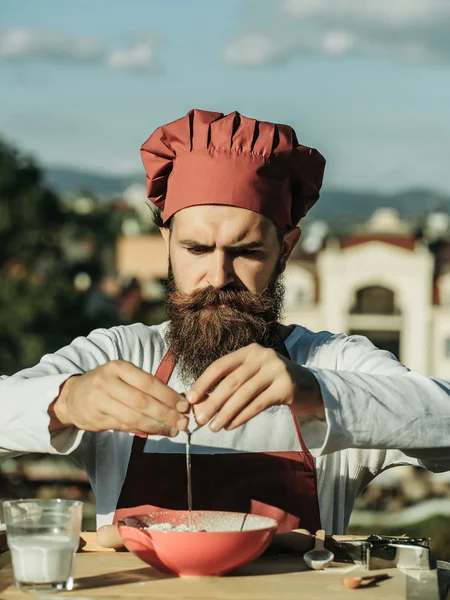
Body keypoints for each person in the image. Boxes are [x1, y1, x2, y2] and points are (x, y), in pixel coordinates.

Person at [1, 109, 450, 535]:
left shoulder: (331, 361)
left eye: (247, 252)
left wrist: (317, 392)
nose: (217, 277)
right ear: (167, 242)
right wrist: (65, 400)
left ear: (286, 250)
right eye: (196, 249)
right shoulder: (121, 355)